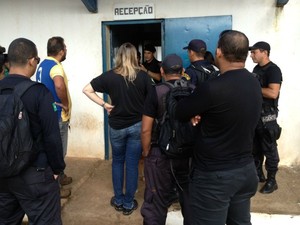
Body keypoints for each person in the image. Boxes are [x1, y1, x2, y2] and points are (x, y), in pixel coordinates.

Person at [176, 30, 262, 225]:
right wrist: (203, 111)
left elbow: (180, 111)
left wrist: (197, 112)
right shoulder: (254, 83)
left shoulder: (212, 88)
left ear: (219, 52)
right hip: (245, 172)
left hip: (215, 178)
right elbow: (228, 112)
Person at [0, 38, 65, 224]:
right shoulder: (39, 92)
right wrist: (57, 168)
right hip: (35, 174)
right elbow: (52, 137)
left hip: (3, 175)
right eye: (37, 60)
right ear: (31, 60)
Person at [83, 42, 153, 216]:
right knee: (131, 164)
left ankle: (119, 199)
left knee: (117, 162)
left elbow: (86, 89)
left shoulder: (109, 76)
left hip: (116, 127)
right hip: (137, 126)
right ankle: (129, 203)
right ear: (134, 57)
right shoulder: (143, 77)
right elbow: (152, 101)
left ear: (119, 56)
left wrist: (105, 105)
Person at [141, 54, 191, 225]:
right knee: (190, 200)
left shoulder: (156, 91)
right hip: (187, 154)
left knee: (155, 203)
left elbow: (146, 129)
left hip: (160, 153)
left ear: (162, 71)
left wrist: (147, 152)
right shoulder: (193, 90)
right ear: (183, 71)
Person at [36, 36, 72, 198]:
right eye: (65, 48)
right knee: (57, 152)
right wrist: (65, 103)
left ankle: (62, 177)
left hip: (46, 114)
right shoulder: (56, 66)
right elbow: (59, 84)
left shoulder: (42, 64)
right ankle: (56, 188)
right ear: (61, 51)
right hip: (57, 115)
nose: (66, 51)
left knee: (53, 149)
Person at [249, 41, 283, 194]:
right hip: (256, 114)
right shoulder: (257, 68)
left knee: (269, 148)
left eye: (254, 52)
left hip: (268, 116)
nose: (251, 55)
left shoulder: (273, 70)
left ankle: (272, 180)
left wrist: (254, 88)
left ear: (264, 52)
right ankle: (259, 175)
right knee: (255, 147)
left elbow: (273, 93)